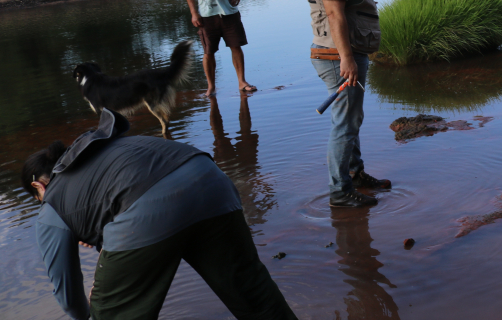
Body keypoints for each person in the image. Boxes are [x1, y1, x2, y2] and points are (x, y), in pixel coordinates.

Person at [21, 108, 298, 320]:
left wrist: (94, 311)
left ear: (38, 186)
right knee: (250, 290)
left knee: (111, 313)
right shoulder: (102, 150)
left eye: (38, 199)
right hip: (210, 180)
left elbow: (67, 293)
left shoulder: (52, 205)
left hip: (148, 207)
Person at [303, 0, 389, 208]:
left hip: (334, 53)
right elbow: (334, 13)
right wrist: (347, 58)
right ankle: (340, 192)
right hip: (338, 55)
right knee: (345, 123)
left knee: (350, 118)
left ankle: (355, 174)